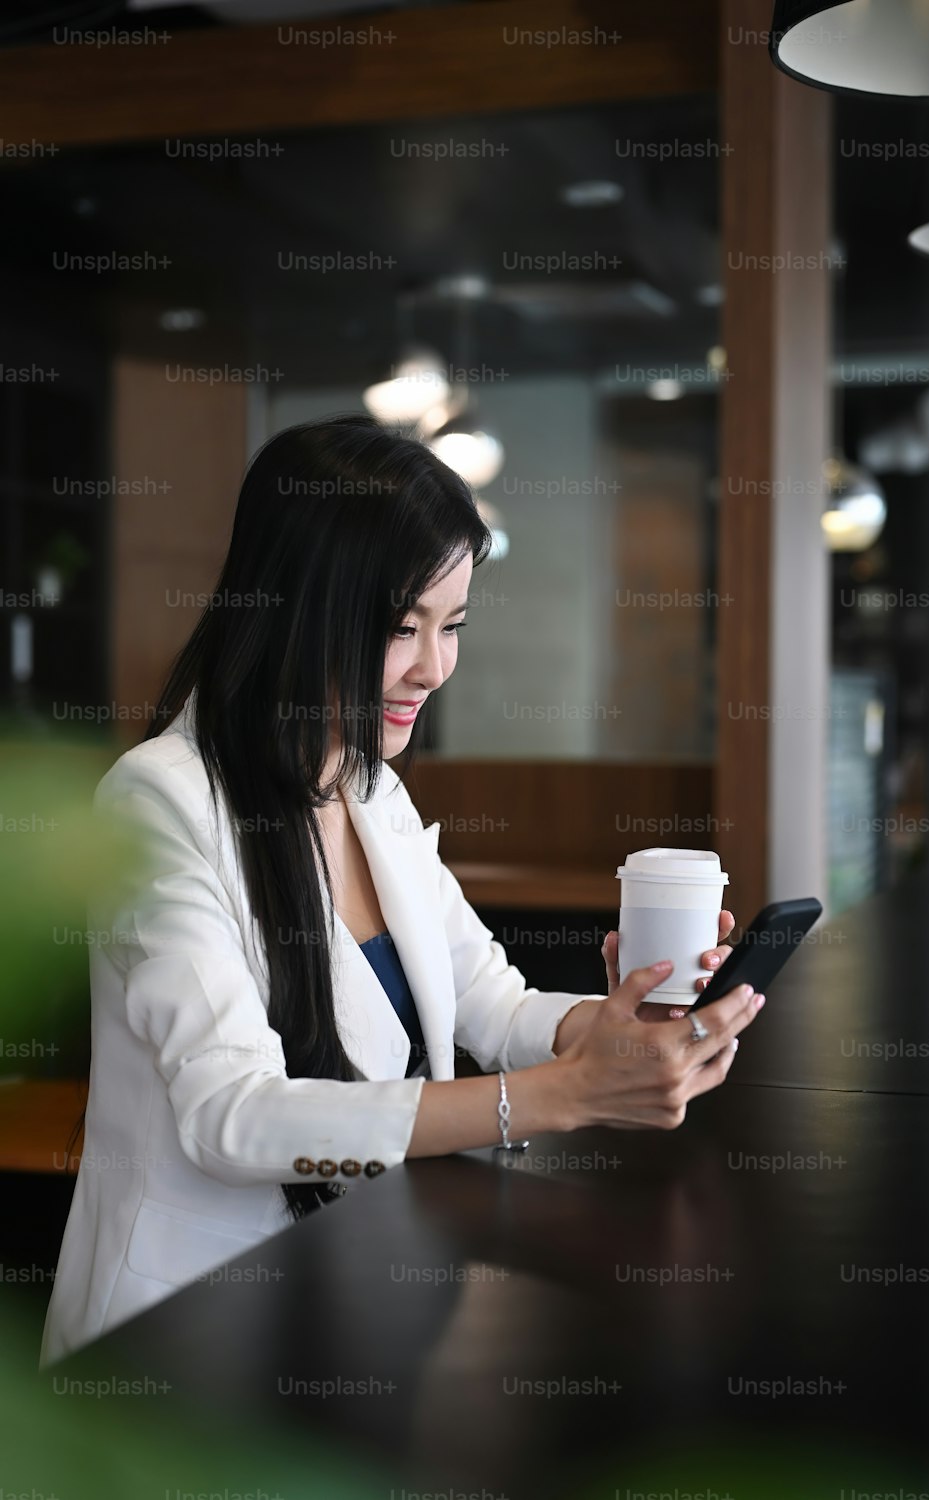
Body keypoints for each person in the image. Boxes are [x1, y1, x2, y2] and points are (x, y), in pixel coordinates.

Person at [39, 414, 763, 1367]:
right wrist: (554, 1099)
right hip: (189, 1330)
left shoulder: (369, 788)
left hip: (351, 1293)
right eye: (400, 627)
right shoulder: (157, 804)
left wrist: (620, 1025)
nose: (434, 668)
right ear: (295, 610)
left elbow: (488, 1000)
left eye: (452, 625)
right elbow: (233, 1117)